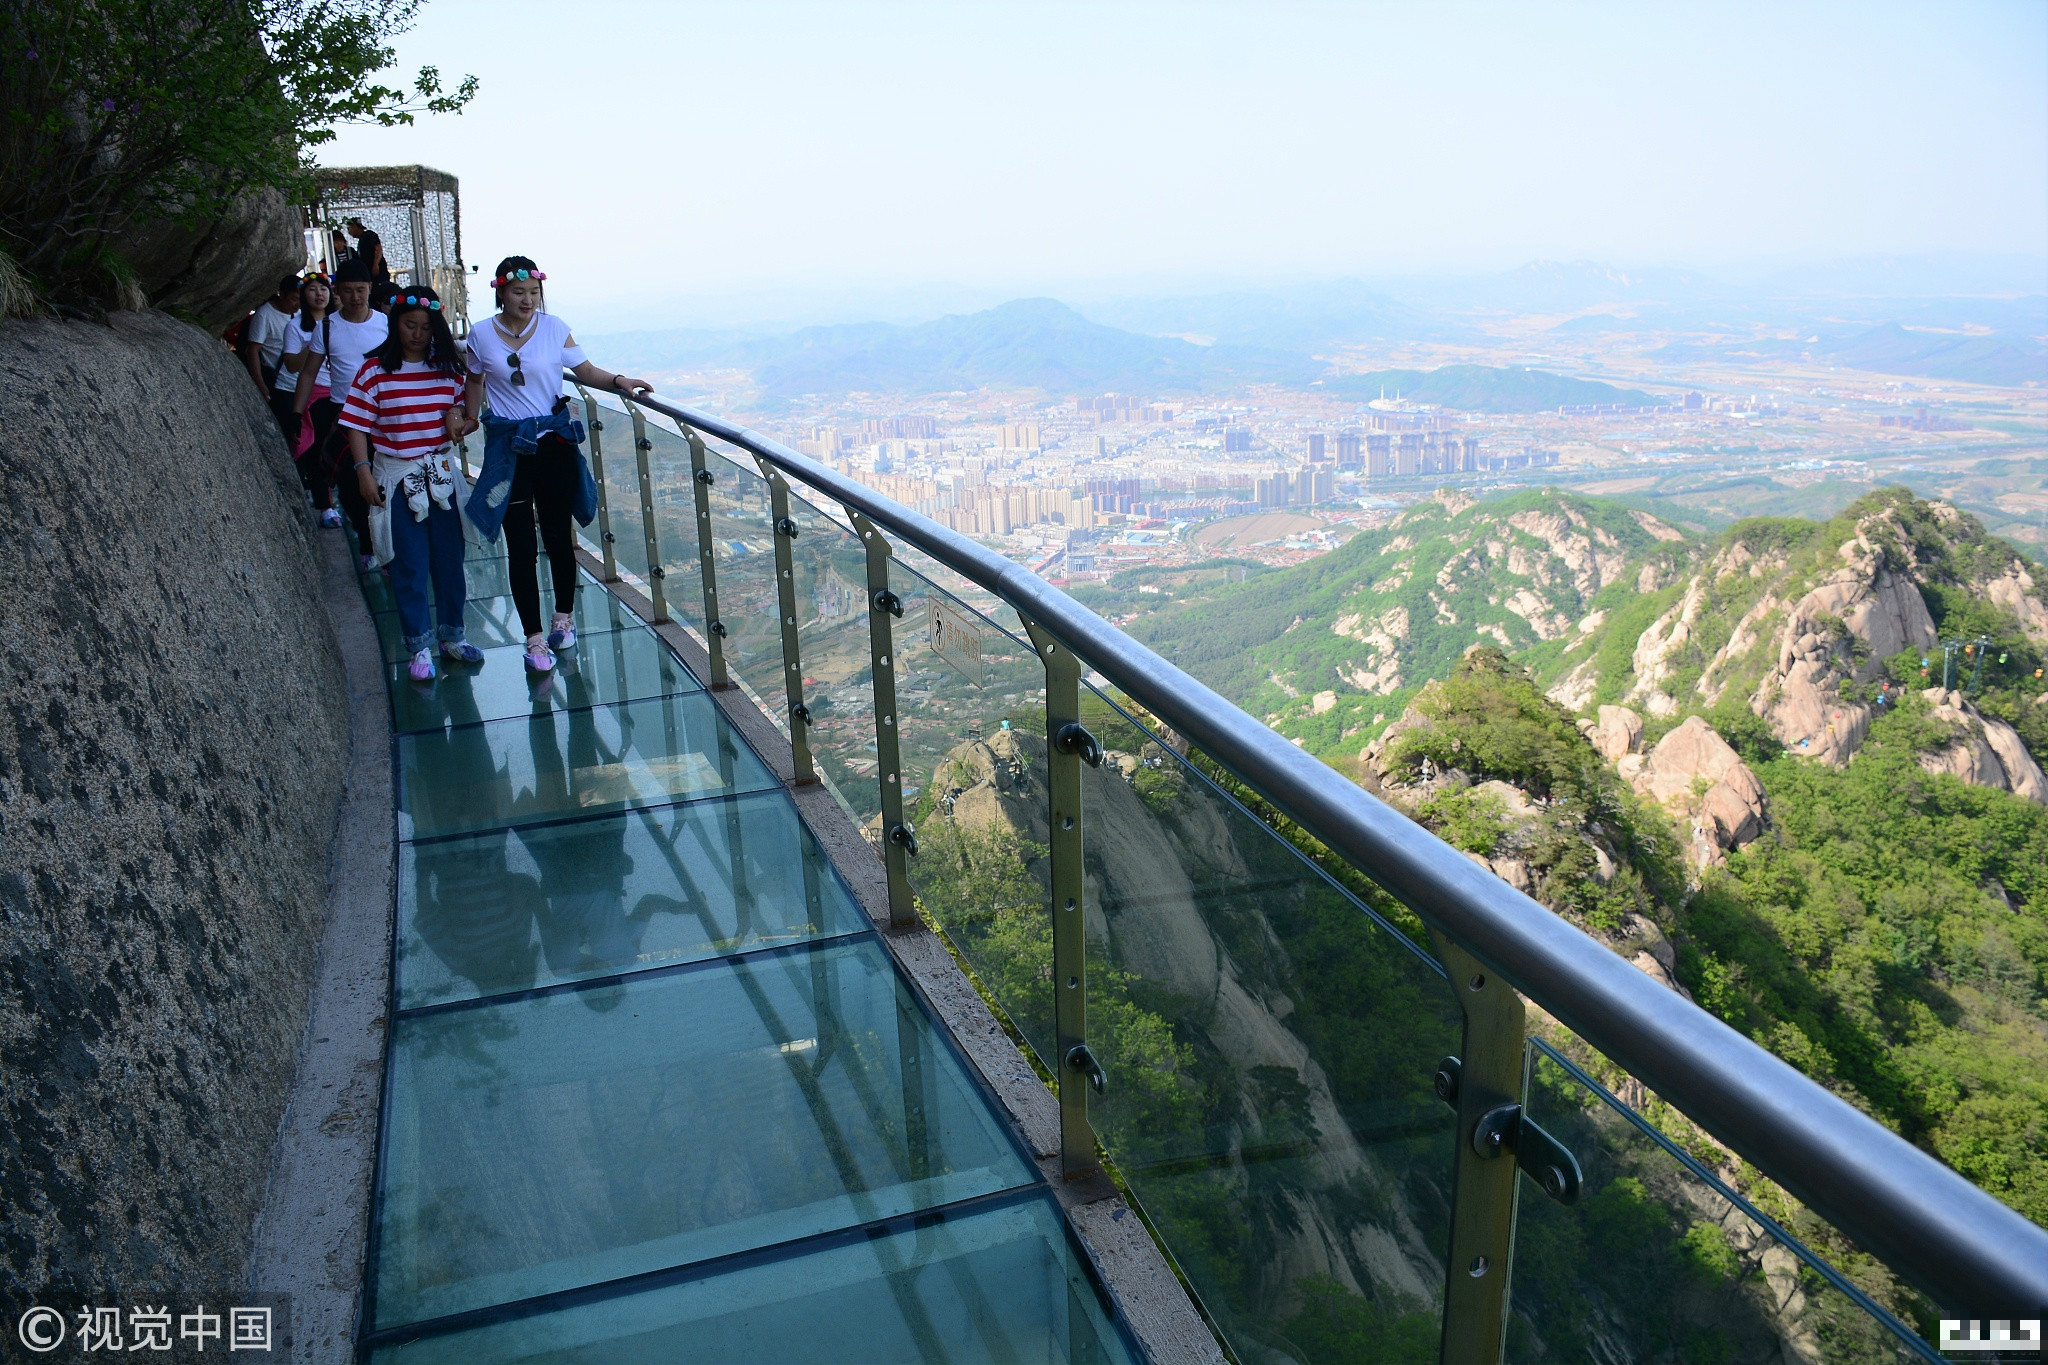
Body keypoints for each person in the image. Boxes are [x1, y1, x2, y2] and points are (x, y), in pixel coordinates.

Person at [463, 256, 652, 674]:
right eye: (518, 293)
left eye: (534, 292)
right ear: (500, 293)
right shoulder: (480, 335)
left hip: (553, 444)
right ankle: (533, 639)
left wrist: (620, 381)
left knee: (557, 536)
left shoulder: (554, 328)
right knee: (520, 548)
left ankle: (563, 620)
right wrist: (469, 416)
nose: (528, 300)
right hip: (509, 450)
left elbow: (583, 370)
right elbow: (474, 380)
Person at [338, 286, 482, 683]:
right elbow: (357, 425)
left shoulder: (447, 369)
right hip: (398, 475)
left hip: (440, 475)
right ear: (395, 324)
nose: (417, 334)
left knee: (450, 562)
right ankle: (419, 645)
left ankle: (452, 636)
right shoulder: (374, 371)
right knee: (409, 565)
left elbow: (464, 410)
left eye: (424, 327)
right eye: (409, 325)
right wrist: (363, 472)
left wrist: (461, 419)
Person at [296, 260, 388, 565]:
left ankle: (388, 546)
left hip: (383, 415)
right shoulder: (326, 326)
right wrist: (297, 414)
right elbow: (308, 373)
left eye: (360, 290)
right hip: (344, 415)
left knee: (386, 480)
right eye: (347, 291)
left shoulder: (387, 324)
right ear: (339, 292)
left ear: (370, 289)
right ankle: (366, 543)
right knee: (351, 487)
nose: (355, 297)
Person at [272, 272, 335, 514]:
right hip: (314, 394)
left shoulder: (339, 322)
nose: (319, 294)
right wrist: (314, 346)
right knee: (317, 450)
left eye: (323, 289)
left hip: (343, 391)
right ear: (302, 295)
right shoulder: (295, 327)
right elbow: (291, 365)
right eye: (312, 289)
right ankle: (325, 505)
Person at [241, 274, 301, 395]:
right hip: (278, 383)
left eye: (301, 299)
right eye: (294, 299)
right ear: (282, 294)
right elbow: (252, 350)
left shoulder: (301, 313)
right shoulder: (264, 315)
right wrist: (261, 384)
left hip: (298, 383)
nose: (298, 304)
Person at [346, 217, 390, 284]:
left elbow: (378, 249)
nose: (349, 232)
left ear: (354, 226)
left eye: (349, 228)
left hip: (378, 272)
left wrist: (375, 265)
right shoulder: (361, 241)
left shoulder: (369, 235)